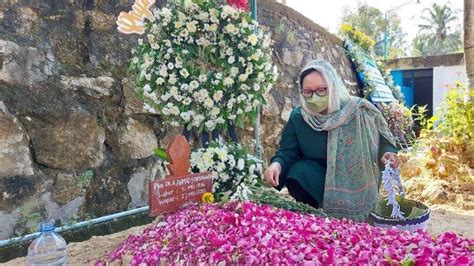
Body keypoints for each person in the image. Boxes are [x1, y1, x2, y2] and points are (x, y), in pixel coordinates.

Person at [263, 59, 399, 221]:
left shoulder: (356, 111)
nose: (314, 97)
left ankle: (354, 214)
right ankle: (316, 215)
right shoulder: (299, 117)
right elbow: (287, 152)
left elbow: (381, 139)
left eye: (321, 90)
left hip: (355, 182)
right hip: (319, 180)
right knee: (297, 172)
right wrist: (276, 165)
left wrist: (388, 153)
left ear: (333, 87)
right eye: (308, 92)